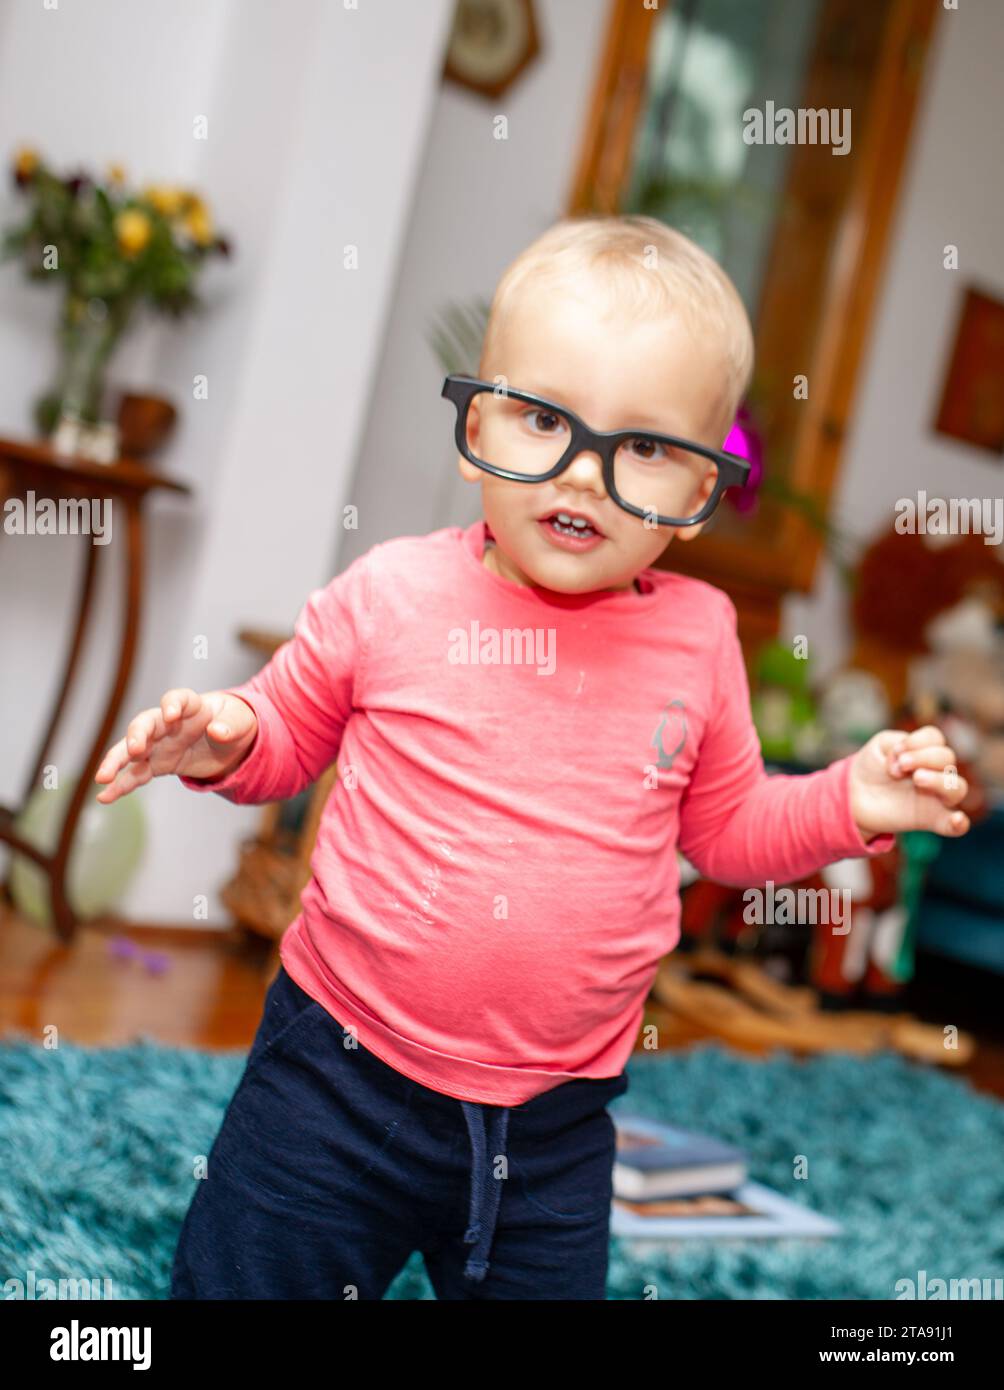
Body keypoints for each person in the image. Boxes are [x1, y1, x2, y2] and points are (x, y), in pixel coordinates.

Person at [94, 215, 969, 1300]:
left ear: (700, 490)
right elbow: (286, 737)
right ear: (483, 416)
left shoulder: (696, 641)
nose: (585, 474)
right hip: (332, 1082)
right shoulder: (392, 594)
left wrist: (850, 799)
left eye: (644, 445)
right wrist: (229, 736)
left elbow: (727, 830)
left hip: (553, 1127)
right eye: (544, 417)